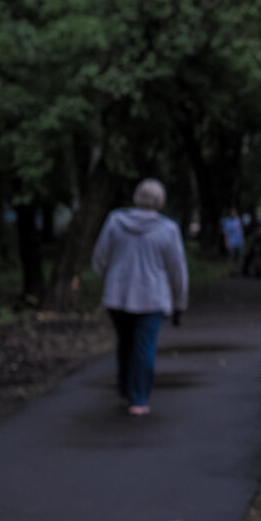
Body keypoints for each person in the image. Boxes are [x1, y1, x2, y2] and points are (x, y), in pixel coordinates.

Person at [92, 178, 188, 416]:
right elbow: (178, 270)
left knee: (125, 342)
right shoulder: (168, 229)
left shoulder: (115, 221)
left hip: (117, 297)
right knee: (143, 346)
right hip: (152, 299)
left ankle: (125, 389)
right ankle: (139, 399)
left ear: (136, 197)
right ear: (160, 201)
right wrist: (179, 302)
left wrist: (108, 278)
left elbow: (99, 257)